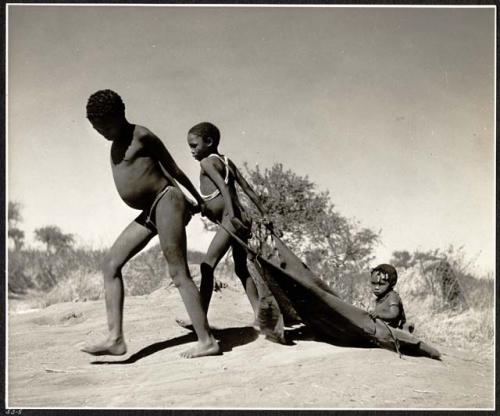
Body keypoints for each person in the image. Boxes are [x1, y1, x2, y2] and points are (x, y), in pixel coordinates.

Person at [81, 90, 220, 358]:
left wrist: (196, 200)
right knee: (110, 264)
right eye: (98, 130)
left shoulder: (141, 135)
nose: (104, 133)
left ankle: (207, 341)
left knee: (178, 272)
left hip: (166, 201)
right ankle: (115, 339)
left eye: (106, 127)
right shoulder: (115, 144)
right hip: (150, 210)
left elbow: (172, 169)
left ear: (120, 115)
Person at [177, 121, 266, 328]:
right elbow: (248, 189)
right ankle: (260, 315)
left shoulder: (206, 163)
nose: (191, 151)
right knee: (241, 268)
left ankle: (199, 319)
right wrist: (264, 213)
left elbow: (224, 190)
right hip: (240, 217)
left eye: (194, 145)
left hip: (232, 219)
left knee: (207, 266)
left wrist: (232, 215)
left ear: (208, 142)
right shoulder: (226, 161)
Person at [369, 264, 414, 333]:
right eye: (373, 283)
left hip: (397, 331)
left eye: (381, 284)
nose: (376, 287)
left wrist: (378, 314)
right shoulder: (380, 298)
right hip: (385, 330)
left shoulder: (392, 296)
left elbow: (394, 314)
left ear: (391, 283)